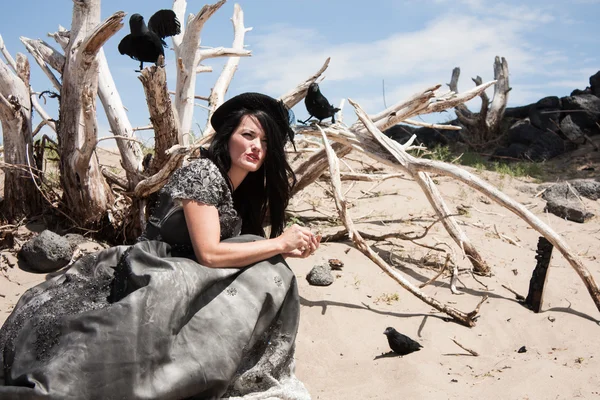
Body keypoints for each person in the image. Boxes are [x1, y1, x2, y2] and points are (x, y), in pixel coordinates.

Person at [0, 93, 319, 400]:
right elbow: (209, 253)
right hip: (152, 268)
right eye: (248, 135)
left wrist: (287, 247)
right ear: (227, 135)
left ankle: (238, 360)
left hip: (187, 271)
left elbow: (238, 249)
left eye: (264, 142)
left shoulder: (241, 189)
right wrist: (279, 242)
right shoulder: (203, 172)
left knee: (268, 262)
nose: (256, 147)